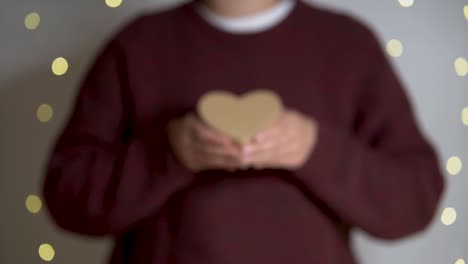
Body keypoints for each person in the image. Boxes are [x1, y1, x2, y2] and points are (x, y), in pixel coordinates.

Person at [42, 0, 446, 263]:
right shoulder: (137, 45)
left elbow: (415, 198)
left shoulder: (349, 45)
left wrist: (314, 148)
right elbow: (66, 196)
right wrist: (167, 153)